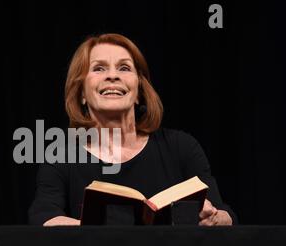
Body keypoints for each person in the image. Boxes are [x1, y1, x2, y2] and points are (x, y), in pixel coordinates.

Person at [28, 33, 236, 226]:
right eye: (99, 68)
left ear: (138, 92)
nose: (112, 76)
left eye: (124, 68)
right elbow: (44, 217)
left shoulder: (181, 147)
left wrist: (214, 218)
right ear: (82, 92)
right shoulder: (61, 157)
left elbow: (226, 214)